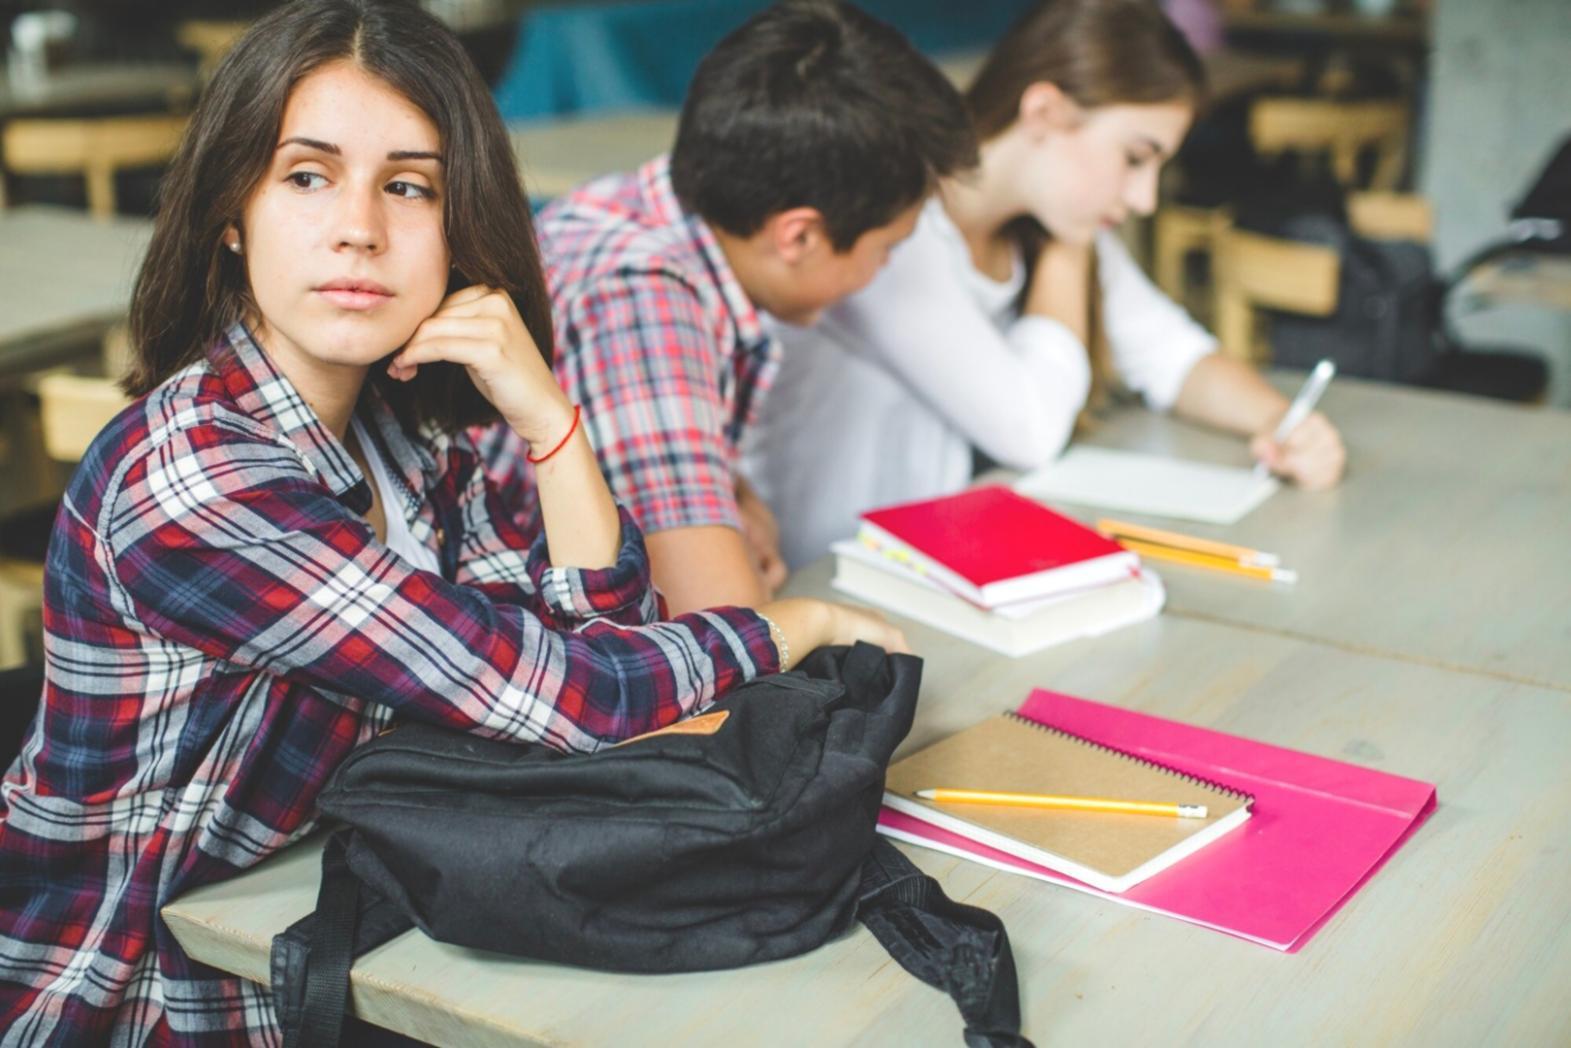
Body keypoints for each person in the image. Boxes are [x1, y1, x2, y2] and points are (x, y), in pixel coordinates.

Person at [0, 2, 903, 1042]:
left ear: (457, 222)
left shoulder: (403, 440)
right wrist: (795, 625)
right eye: (306, 175)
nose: (358, 228)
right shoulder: (199, 478)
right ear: (230, 211)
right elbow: (574, 696)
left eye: (407, 186)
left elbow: (596, 642)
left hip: (337, 936)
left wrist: (550, 422)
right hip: (150, 995)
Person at [743, 0, 1349, 569]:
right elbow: (1029, 430)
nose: (1142, 198)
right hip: (827, 572)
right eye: (1136, 158)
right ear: (1044, 114)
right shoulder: (890, 230)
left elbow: (1173, 354)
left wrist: (1281, 421)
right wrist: (1071, 250)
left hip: (937, 559)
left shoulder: (1050, 222)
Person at [524, 0, 977, 614]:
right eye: (887, 248)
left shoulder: (641, 207)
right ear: (798, 237)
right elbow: (716, 618)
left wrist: (733, 496)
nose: (882, 273)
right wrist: (736, 570)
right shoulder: (641, 294)